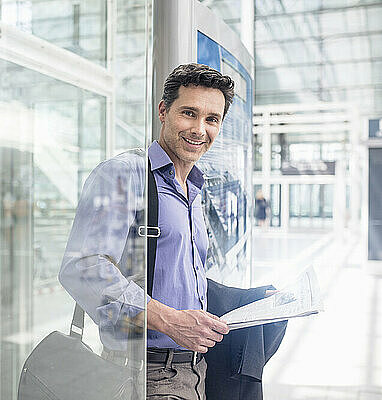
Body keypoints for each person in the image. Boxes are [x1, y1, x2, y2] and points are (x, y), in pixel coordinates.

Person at [59, 63, 237, 399]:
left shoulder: (194, 188)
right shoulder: (125, 176)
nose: (200, 129)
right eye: (189, 113)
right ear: (163, 111)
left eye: (212, 119)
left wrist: (253, 302)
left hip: (195, 370)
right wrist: (167, 320)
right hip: (143, 372)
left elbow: (176, 276)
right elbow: (82, 267)